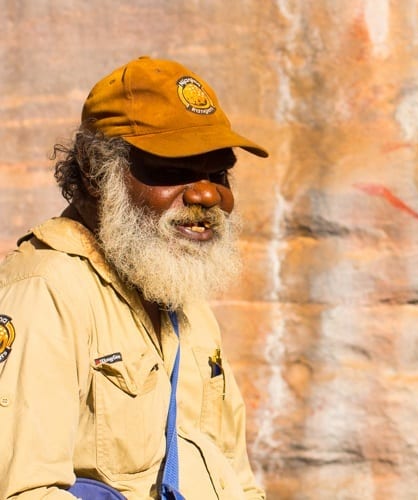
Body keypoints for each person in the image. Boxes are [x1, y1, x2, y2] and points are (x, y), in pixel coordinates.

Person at [0, 56, 269, 499]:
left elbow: (236, 479)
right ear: (93, 171)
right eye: (171, 170)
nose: (206, 195)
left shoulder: (183, 302)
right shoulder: (47, 293)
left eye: (218, 173)